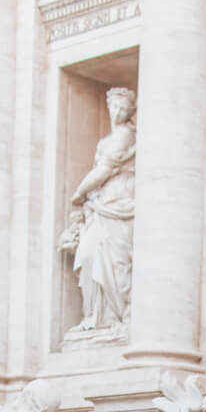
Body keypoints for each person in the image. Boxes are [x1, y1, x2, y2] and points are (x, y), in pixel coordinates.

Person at [59, 86, 136, 334]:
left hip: (119, 201)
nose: (116, 112)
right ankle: (94, 316)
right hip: (101, 205)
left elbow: (104, 170)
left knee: (116, 260)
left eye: (122, 108)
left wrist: (79, 193)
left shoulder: (125, 135)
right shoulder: (105, 141)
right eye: (113, 106)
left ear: (129, 112)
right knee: (90, 255)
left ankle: (118, 314)